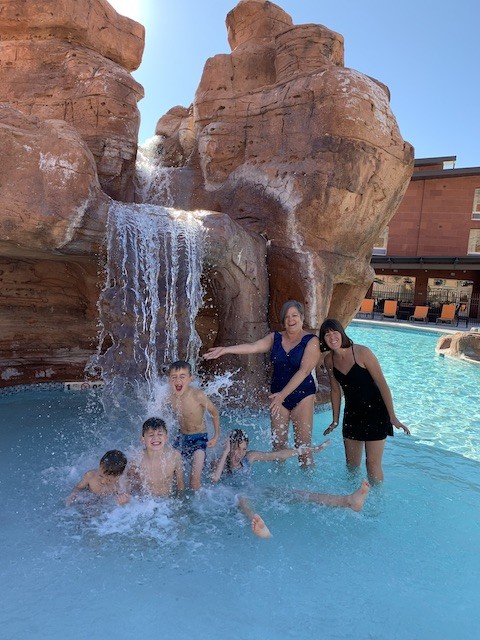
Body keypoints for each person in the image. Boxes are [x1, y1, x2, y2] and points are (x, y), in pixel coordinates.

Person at [204, 300, 320, 467]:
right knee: (277, 448)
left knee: (303, 448)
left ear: (302, 317)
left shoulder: (311, 341)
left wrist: (282, 396)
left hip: (302, 396)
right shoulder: (276, 337)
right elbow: (254, 346)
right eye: (287, 317)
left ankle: (308, 483)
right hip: (277, 397)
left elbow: (304, 371)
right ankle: (279, 484)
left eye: (294, 315)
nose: (291, 320)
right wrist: (225, 350)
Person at [211, 428, 370, 538]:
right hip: (231, 496)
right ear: (229, 447)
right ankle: (258, 524)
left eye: (243, 449)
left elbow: (279, 455)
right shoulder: (219, 462)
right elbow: (215, 478)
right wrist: (225, 453)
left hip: (254, 490)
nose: (240, 453)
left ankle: (348, 500)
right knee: (242, 499)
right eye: (236, 449)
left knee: (295, 494)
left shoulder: (249, 458)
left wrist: (308, 450)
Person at [319, 318, 410, 482]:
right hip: (352, 414)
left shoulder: (362, 353)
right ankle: (352, 500)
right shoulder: (329, 360)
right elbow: (335, 390)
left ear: (342, 333)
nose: (332, 337)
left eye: (335, 332)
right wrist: (335, 420)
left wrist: (393, 417)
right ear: (323, 339)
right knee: (351, 465)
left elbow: (382, 384)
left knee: (372, 464)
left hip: (376, 413)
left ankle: (376, 503)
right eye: (327, 335)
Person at [167, 360, 220, 490]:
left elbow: (214, 412)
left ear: (190, 379)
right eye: (174, 377)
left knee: (194, 481)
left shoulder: (198, 395)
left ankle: (197, 508)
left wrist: (216, 435)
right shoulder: (169, 398)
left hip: (199, 438)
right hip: (182, 438)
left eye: (182, 376)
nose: (178, 380)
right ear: (169, 380)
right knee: (172, 476)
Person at [127, 417, 185, 497]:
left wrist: (181, 500)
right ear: (143, 439)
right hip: (146, 503)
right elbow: (129, 485)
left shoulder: (174, 455)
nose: (155, 438)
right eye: (151, 435)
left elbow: (180, 484)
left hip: (167, 501)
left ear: (166, 438)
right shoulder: (137, 459)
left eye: (160, 434)